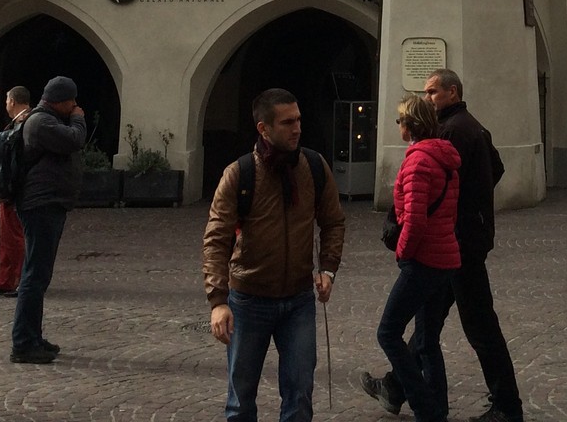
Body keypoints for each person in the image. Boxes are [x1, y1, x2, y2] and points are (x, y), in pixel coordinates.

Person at [362, 70, 524, 422]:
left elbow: (426, 191)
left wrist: (454, 207)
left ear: (453, 92)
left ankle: (507, 406)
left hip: (456, 241)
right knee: (429, 326)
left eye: (433, 92)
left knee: (477, 326)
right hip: (462, 239)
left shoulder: (449, 132)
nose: (428, 97)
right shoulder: (472, 126)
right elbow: (495, 167)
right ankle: (396, 387)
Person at [203, 87, 345, 422]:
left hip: (297, 300)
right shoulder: (239, 174)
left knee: (299, 395)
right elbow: (216, 240)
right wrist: (218, 301)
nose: (297, 128)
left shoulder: (313, 165)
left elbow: (333, 221)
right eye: (287, 122)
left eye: (298, 120)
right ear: (263, 129)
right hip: (248, 299)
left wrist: (328, 268)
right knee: (241, 401)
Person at [375, 94, 461, 422]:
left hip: (424, 260)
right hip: (446, 256)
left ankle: (423, 404)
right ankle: (435, 411)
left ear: (410, 125)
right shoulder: (445, 158)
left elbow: (415, 218)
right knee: (426, 340)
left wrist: (403, 252)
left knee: (388, 332)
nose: (398, 126)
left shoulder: (418, 161)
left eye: (400, 121)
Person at [11, 76, 86, 364]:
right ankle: (23, 343)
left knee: (38, 275)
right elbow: (75, 140)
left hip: (47, 204)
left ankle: (32, 336)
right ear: (60, 101)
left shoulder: (46, 120)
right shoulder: (41, 122)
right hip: (41, 204)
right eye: (72, 102)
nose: (75, 106)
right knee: (33, 275)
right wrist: (78, 120)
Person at [0, 86, 31, 297]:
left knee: (16, 237)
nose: (6, 105)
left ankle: (16, 280)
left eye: (7, 101)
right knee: (8, 237)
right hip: (8, 188)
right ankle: (5, 279)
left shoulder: (26, 123)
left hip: (16, 189)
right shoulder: (18, 123)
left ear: (12, 101)